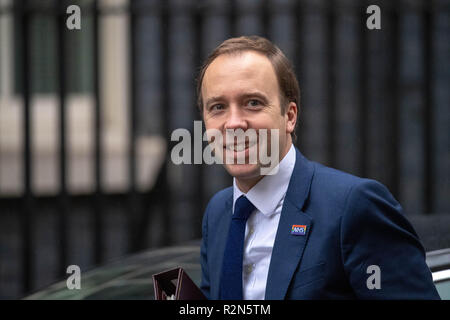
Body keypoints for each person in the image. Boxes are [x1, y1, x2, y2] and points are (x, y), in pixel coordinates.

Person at [197, 35, 440, 300]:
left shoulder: (354, 206)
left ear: (289, 116)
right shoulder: (219, 212)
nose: (233, 123)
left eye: (253, 103)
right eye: (218, 107)